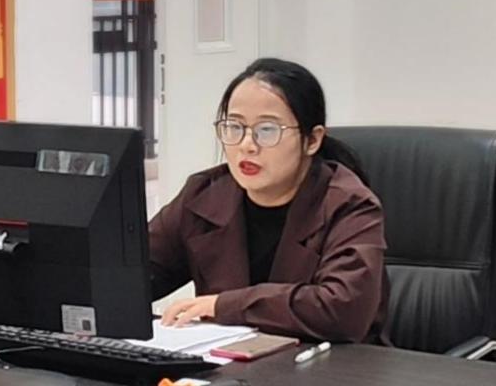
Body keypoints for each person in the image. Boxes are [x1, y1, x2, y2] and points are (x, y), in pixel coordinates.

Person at [149, 58, 390, 344]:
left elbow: (343, 310)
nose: (246, 145)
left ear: (312, 140)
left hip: (333, 363)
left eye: (267, 130)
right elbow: (135, 274)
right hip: (230, 362)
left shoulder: (349, 204)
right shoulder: (203, 195)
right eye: (234, 127)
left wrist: (223, 306)